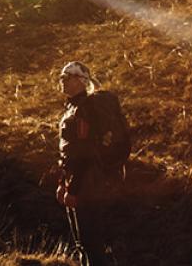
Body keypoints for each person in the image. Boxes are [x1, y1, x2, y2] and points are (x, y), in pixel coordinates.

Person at [56, 60, 129, 265]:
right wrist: (63, 183)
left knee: (90, 242)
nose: (61, 82)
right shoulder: (73, 108)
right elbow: (69, 152)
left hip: (87, 184)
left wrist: (73, 189)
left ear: (80, 81)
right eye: (61, 78)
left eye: (66, 78)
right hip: (81, 181)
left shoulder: (83, 110)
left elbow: (83, 153)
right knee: (84, 242)